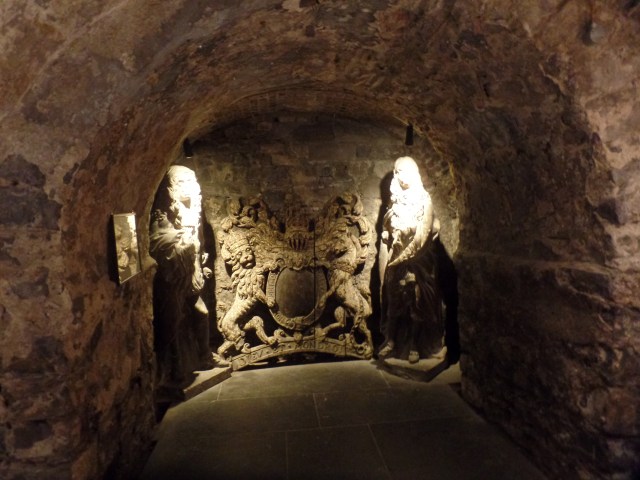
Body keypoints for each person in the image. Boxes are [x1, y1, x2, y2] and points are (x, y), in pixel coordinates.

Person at [149, 166, 217, 389]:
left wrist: (199, 262)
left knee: (202, 312)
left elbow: (197, 240)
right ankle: (176, 369)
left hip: (190, 272)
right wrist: (183, 243)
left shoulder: (193, 210)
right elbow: (158, 240)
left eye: (191, 182)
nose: (189, 187)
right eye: (182, 183)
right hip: (173, 277)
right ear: (171, 188)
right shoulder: (162, 213)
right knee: (174, 321)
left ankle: (205, 356)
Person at [378, 156, 443, 363]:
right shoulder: (394, 202)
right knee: (394, 299)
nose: (402, 176)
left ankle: (417, 345)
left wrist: (410, 237)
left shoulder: (424, 200)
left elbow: (426, 232)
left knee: (417, 300)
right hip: (397, 258)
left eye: (406, 172)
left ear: (414, 174)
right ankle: (391, 341)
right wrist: (389, 233)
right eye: (398, 172)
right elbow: (387, 228)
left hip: (419, 260)